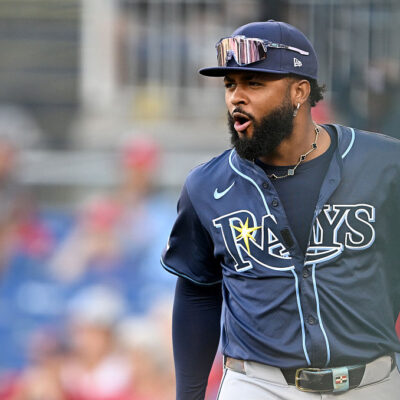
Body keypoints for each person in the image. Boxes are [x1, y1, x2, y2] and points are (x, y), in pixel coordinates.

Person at [161, 20, 400, 399]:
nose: (236, 97)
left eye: (254, 83)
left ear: (299, 92)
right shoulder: (206, 185)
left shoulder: (386, 165)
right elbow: (197, 291)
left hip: (372, 382)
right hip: (258, 384)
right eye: (230, 84)